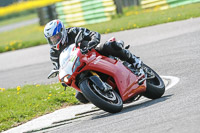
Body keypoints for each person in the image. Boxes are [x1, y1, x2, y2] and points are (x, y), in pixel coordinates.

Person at [44, 19, 142, 74]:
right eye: (51, 39)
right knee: (80, 97)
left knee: (109, 45)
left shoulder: (73, 31)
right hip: (79, 66)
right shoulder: (53, 52)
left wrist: (92, 42)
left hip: (92, 53)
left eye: (56, 36)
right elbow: (58, 67)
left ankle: (134, 60)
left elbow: (93, 34)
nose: (54, 40)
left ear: (62, 31)